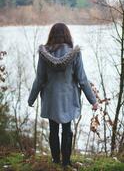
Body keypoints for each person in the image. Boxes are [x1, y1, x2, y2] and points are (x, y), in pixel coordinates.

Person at [28, 23, 98, 168]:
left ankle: (55, 160)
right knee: (67, 130)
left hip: (51, 99)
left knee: (53, 130)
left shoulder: (44, 54)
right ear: (67, 35)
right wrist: (93, 101)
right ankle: (66, 162)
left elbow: (39, 79)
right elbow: (82, 79)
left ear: (52, 35)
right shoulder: (74, 53)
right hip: (68, 99)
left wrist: (31, 99)